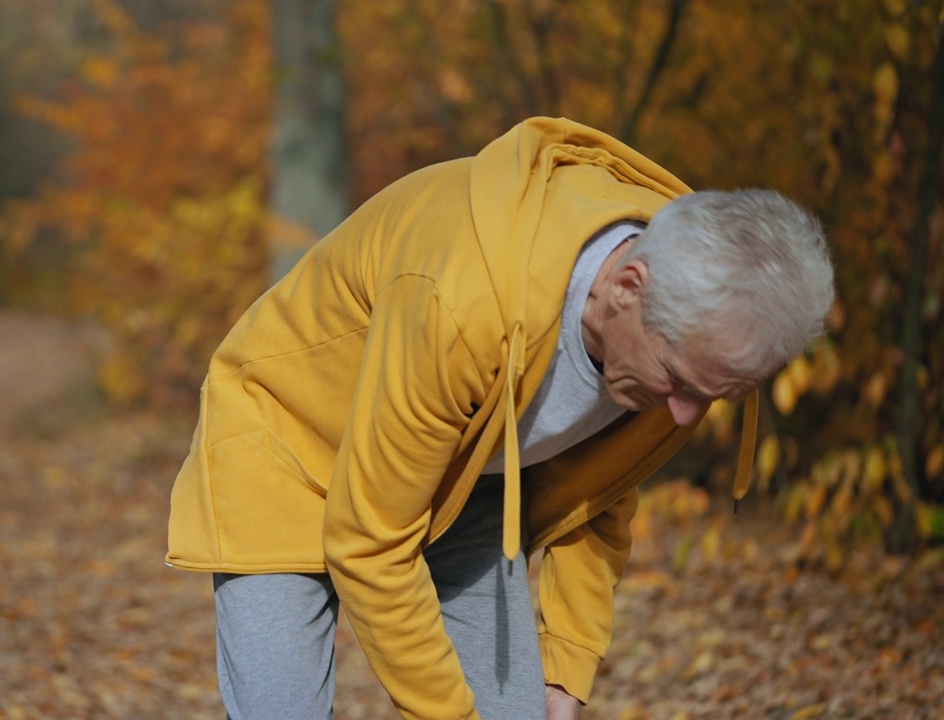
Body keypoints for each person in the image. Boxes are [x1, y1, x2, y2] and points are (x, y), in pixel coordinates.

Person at [165, 116, 835, 720]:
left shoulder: (688, 334)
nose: (688, 413)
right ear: (626, 288)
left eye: (716, 395)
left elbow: (597, 496)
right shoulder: (467, 303)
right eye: (681, 384)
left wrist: (566, 671)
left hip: (464, 475)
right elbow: (369, 540)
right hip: (287, 445)